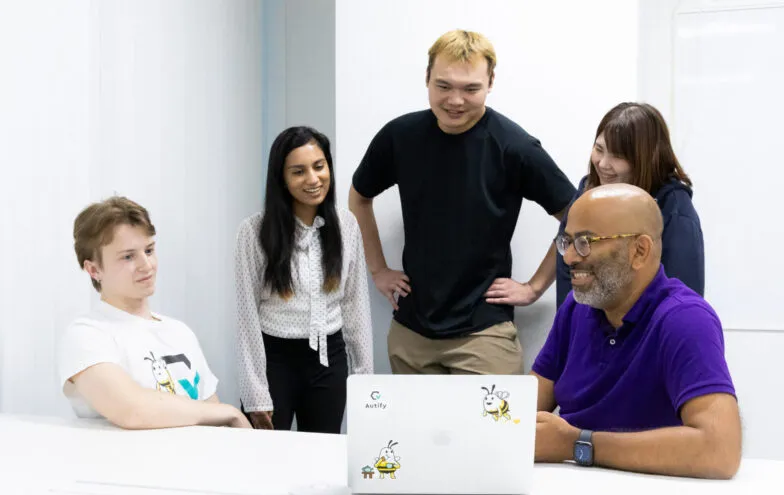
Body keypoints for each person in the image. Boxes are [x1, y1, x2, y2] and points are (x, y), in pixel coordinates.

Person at [348, 29, 576, 375]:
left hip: (484, 334)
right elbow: (359, 196)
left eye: (470, 89)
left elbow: (576, 217)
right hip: (411, 332)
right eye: (443, 86)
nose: (455, 100)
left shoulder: (514, 147)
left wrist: (534, 287)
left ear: (490, 82)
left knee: (493, 431)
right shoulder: (399, 137)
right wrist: (378, 270)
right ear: (426, 78)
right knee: (412, 431)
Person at [531, 184, 740, 479]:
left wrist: (576, 444)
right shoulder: (576, 309)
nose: (569, 258)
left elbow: (720, 451)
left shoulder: (685, 320)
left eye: (585, 241)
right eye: (567, 242)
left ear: (639, 251)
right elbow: (521, 407)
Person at [58, 196, 251, 429]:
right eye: (128, 256)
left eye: (149, 250)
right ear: (94, 269)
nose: (146, 265)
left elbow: (215, 420)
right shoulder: (87, 334)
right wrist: (229, 411)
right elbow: (133, 411)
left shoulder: (179, 332)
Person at [235, 126, 373, 433]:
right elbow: (246, 318)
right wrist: (255, 394)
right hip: (275, 362)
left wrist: (365, 379)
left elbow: (355, 304)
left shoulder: (346, 224)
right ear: (281, 179)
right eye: (298, 171)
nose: (313, 179)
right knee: (265, 460)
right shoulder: (254, 231)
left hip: (329, 360)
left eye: (319, 167)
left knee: (323, 459)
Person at [526, 102, 705, 309]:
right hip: (584, 331)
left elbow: (682, 304)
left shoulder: (675, 214)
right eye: (599, 149)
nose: (603, 163)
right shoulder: (588, 190)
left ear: (645, 159)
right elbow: (566, 252)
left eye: (618, 156)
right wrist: (535, 288)